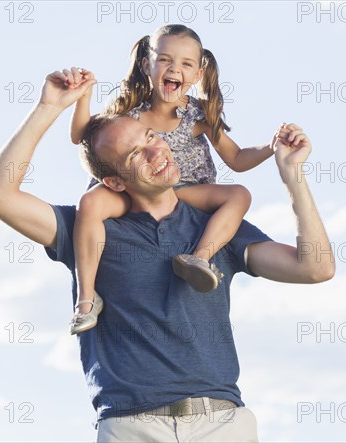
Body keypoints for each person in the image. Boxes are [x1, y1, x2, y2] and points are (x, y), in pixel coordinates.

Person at [0, 69, 335, 442]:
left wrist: (294, 176)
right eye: (135, 154)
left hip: (221, 422)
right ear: (114, 182)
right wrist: (48, 107)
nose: (156, 151)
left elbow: (316, 268)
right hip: (133, 425)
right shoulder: (88, 229)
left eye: (150, 137)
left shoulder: (216, 226)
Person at [67, 24, 276, 335]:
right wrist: (83, 96)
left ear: (196, 75)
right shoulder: (127, 111)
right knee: (90, 201)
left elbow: (237, 159)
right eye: (164, 59)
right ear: (146, 66)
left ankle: (199, 259)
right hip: (138, 189)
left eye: (186, 64)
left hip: (187, 191)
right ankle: (86, 299)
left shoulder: (199, 114)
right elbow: (81, 136)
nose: (174, 68)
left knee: (239, 195)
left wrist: (272, 147)